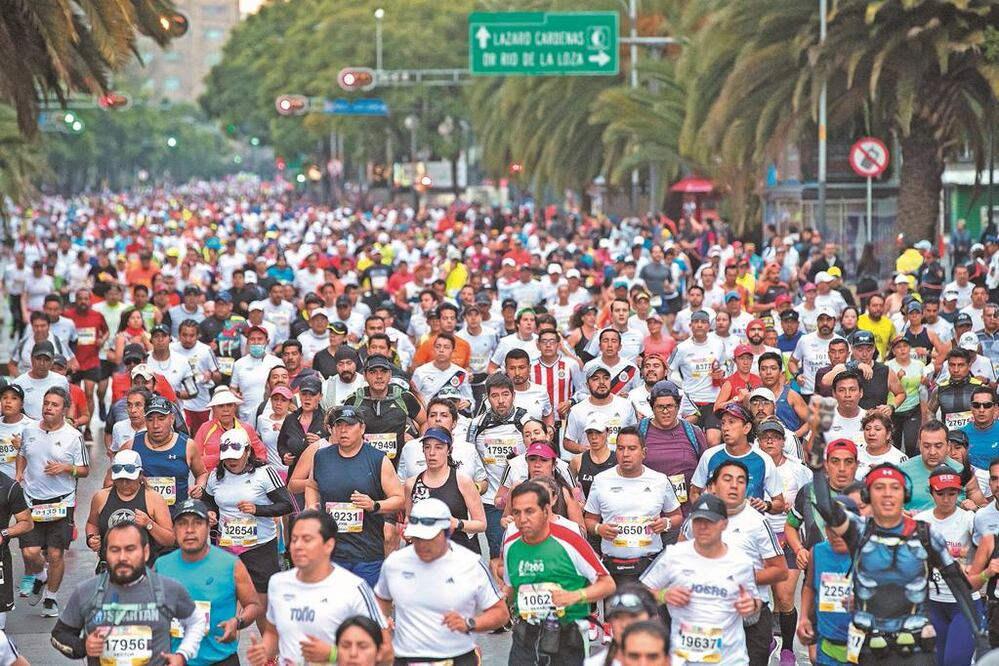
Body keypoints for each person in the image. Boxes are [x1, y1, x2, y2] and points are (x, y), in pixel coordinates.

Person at [812, 461, 990, 664]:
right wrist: (817, 469)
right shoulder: (859, 530)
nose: (887, 494)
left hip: (913, 641)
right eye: (879, 488)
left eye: (894, 488)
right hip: (870, 641)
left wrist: (978, 632)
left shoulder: (925, 533)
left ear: (904, 495)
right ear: (869, 496)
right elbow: (827, 509)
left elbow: (957, 584)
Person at [246, 510, 390, 666]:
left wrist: (333, 654)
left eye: (307, 540)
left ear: (329, 545)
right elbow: (273, 633)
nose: (298, 546)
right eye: (294, 540)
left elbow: (385, 650)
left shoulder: (353, 587)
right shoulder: (277, 583)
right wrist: (263, 652)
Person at [374, 498, 509, 664]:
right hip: (406, 658)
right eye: (417, 538)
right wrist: (382, 628)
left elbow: (501, 613)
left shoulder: (470, 564)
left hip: (456, 657)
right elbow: (381, 601)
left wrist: (470, 623)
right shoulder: (395, 563)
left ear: (448, 532)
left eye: (429, 538)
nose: (422, 545)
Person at [50, 521, 206, 665]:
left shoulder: (169, 589)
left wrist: (182, 655)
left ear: (145, 552)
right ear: (106, 553)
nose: (122, 557)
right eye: (115, 550)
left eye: (130, 549)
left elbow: (197, 621)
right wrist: (83, 646)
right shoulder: (86, 591)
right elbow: (58, 635)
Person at [641, 492, 763, 666]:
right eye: (698, 521)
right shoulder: (674, 555)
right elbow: (640, 592)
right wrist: (663, 595)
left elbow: (755, 602)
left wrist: (750, 605)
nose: (703, 527)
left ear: (724, 524)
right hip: (683, 658)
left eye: (710, 521)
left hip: (729, 660)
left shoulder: (741, 562)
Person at [503, 481, 616, 665]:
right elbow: (510, 587)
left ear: (546, 510)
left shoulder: (570, 540)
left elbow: (607, 584)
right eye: (516, 513)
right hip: (526, 635)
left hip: (567, 634)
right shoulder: (511, 545)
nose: (522, 519)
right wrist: (499, 603)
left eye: (530, 511)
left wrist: (575, 596)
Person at [299, 405, 405, 587]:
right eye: (338, 426)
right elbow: (312, 484)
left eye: (349, 425)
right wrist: (310, 506)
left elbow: (400, 499)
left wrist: (375, 505)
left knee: (364, 611)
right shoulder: (321, 457)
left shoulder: (378, 459)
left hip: (366, 553)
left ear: (362, 428)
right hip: (330, 552)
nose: (343, 430)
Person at [201, 428, 292, 633]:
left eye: (236, 456)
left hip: (259, 547)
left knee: (262, 607)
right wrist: (210, 514)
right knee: (226, 606)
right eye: (227, 458)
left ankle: (270, 658)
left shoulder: (265, 473)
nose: (231, 461)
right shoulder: (216, 476)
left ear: (248, 451)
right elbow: (207, 502)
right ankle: (226, 654)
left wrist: (257, 509)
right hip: (227, 548)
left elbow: (287, 505)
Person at [155, 497, 262, 666]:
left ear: (208, 527)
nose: (189, 530)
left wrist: (237, 622)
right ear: (174, 530)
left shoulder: (231, 564)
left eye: (197, 523)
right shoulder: (161, 565)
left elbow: (253, 605)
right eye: (182, 524)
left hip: (220, 659)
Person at [16, 386, 88, 617]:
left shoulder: (73, 436)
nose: (48, 408)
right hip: (31, 500)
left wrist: (66, 467)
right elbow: (22, 454)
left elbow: (85, 470)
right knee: (29, 552)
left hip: (60, 502)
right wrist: (19, 473)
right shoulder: (29, 431)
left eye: (54, 404)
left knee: (56, 555)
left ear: (64, 409)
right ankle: (41, 576)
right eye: (46, 403)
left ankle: (51, 598)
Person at [583, 426, 682, 585]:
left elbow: (677, 516)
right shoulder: (601, 480)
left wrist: (666, 523)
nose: (625, 454)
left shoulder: (660, 480)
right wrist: (599, 529)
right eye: (621, 448)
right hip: (613, 566)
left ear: (644, 452)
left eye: (632, 448)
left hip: (649, 566)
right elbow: (589, 520)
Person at [915, 466, 983, 666]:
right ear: (931, 492)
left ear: (959, 492)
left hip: (964, 604)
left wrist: (979, 569)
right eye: (940, 493)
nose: (946, 499)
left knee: (955, 661)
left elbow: (988, 544)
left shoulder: (969, 519)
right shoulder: (920, 521)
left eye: (952, 493)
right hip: (932, 603)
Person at [468, 372, 531, 567]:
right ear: (487, 398)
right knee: (498, 554)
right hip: (491, 501)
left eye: (505, 394)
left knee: (526, 551)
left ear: (513, 395)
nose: (501, 401)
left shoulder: (526, 420)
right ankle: (499, 596)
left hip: (525, 497)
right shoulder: (478, 424)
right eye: (495, 396)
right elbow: (470, 458)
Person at [85, 449, 174, 571]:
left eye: (129, 479)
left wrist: (149, 524)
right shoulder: (101, 497)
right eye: (120, 479)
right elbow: (92, 523)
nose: (124, 483)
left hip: (143, 570)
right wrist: (91, 538)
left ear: (140, 475)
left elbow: (169, 539)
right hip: (109, 568)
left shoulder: (154, 498)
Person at [797, 497, 859, 666]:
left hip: (863, 646)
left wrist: (863, 600)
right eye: (831, 528)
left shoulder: (869, 552)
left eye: (842, 529)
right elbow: (809, 586)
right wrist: (804, 618)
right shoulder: (817, 552)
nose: (836, 535)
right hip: (827, 645)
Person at [689, 403, 785, 512]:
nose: (725, 428)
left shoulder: (763, 459)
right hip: (716, 526)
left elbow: (780, 503)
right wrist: (705, 513)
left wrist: (766, 505)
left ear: (746, 428)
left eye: (731, 422)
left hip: (749, 527)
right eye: (723, 423)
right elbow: (694, 492)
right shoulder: (709, 456)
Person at [402, 427, 485, 554]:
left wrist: (457, 523)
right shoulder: (411, 483)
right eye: (427, 447)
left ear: (449, 450)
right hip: (423, 553)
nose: (432, 453)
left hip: (456, 552)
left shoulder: (462, 481)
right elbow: (408, 518)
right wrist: (408, 530)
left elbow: (481, 524)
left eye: (439, 447)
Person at [128, 395, 209, 512]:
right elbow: (111, 480)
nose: (156, 425)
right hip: (143, 515)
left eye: (161, 418)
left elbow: (202, 473)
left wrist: (199, 487)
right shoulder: (131, 446)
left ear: (172, 419)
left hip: (177, 516)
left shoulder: (187, 446)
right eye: (150, 419)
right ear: (145, 421)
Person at [563, 365, 638, 455]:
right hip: (591, 464)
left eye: (606, 378)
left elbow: (636, 436)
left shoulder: (627, 405)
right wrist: (584, 449)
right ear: (587, 385)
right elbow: (567, 442)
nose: (602, 382)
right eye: (595, 379)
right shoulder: (576, 410)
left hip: (620, 463)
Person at [192, 386, 268, 472]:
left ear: (235, 407)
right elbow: (195, 459)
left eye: (229, 405)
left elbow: (261, 454)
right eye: (221, 406)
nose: (226, 410)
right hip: (211, 479)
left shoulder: (247, 428)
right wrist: (222, 457)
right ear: (213, 409)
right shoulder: (205, 429)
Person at [584, 584, 659, 666]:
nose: (624, 624)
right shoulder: (595, 664)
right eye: (617, 617)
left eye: (633, 616)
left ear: (653, 619)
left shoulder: (670, 661)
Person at [13, 340, 70, 420]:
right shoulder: (18, 383)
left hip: (55, 429)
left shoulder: (61, 381)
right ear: (31, 359)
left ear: (52, 361)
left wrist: (69, 420)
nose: (42, 363)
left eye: (46, 360)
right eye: (38, 359)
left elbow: (67, 405)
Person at [0, 384, 35, 480]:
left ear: (22, 404)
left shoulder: (32, 426)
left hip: (21, 484)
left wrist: (23, 446)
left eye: (14, 398)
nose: (8, 401)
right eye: (4, 397)